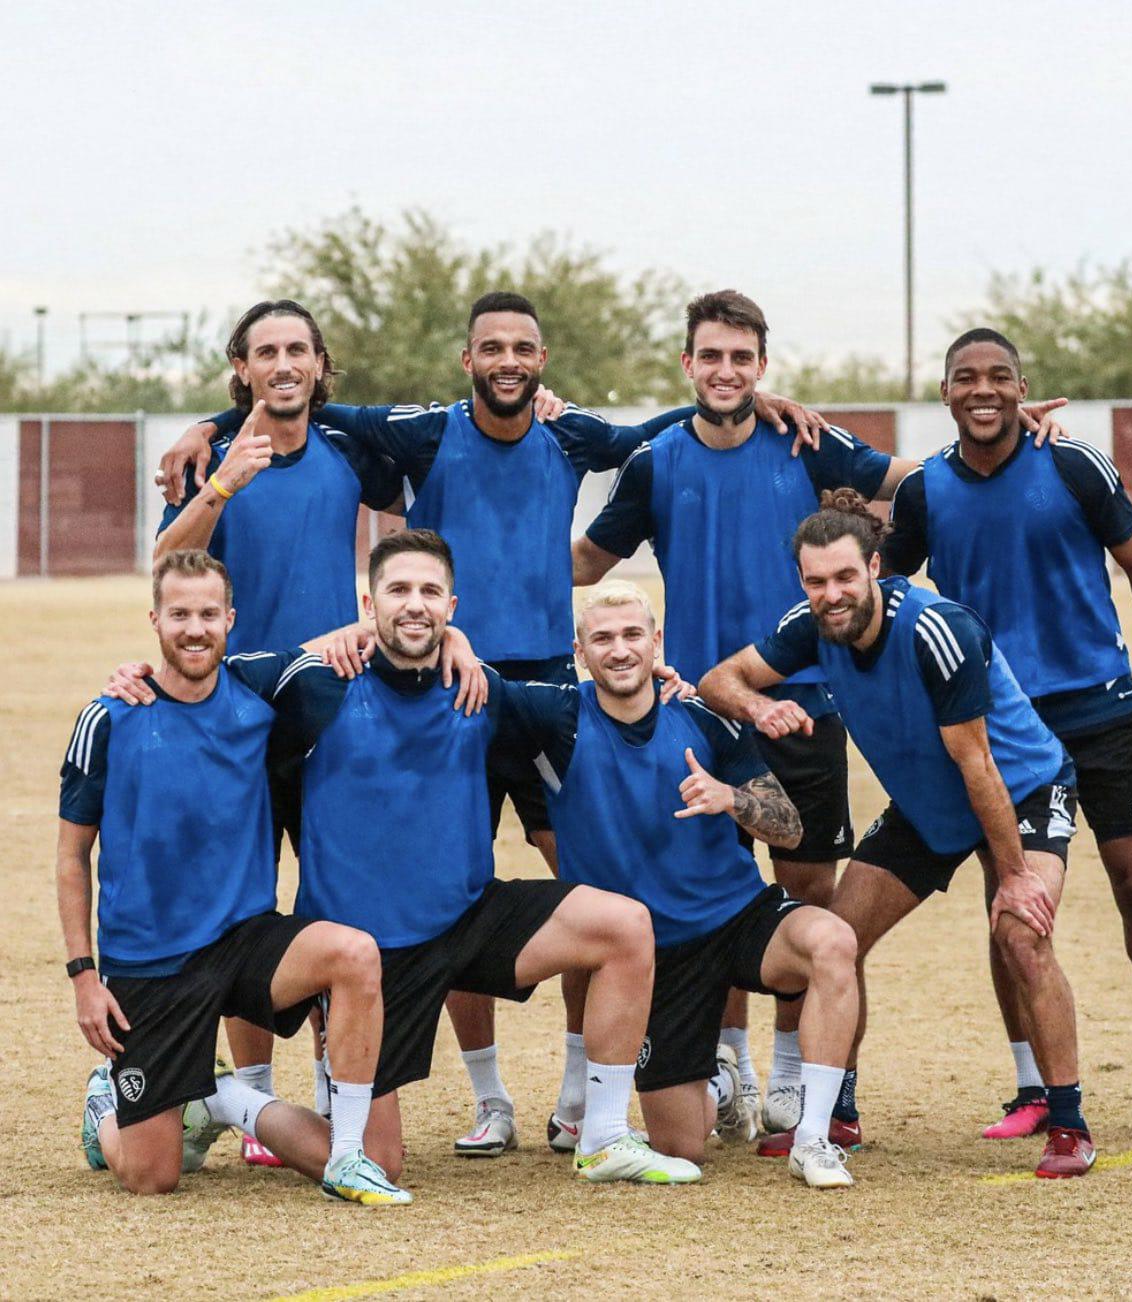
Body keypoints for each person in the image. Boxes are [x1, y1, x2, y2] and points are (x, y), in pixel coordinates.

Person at [156, 289, 829, 1155]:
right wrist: (210, 431)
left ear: (541, 362)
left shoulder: (540, 439)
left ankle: (579, 1097)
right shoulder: (404, 434)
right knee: (291, 892)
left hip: (523, 692)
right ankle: (318, 1097)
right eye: (491, 347)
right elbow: (277, 411)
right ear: (466, 360)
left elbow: (651, 435)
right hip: (338, 694)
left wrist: (750, 400)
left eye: (524, 347)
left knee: (588, 885)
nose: (508, 360)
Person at [574, 290, 1069, 1148]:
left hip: (809, 715)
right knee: (713, 894)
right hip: (702, 713)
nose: (726, 372)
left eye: (742, 358)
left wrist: (1014, 436)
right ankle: (728, 1065)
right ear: (687, 365)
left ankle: (805, 1086)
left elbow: (919, 482)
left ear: (762, 367)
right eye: (710, 357)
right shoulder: (655, 459)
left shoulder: (806, 442)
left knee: (809, 900)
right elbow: (587, 558)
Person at [149, 299, 482, 1166]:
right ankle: (251, 1101)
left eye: (299, 350)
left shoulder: (346, 449)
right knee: (244, 906)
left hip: (334, 711)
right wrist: (223, 473)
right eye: (268, 352)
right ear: (243, 367)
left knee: (336, 898)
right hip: (233, 717)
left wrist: (452, 626)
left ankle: (343, 1084)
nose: (285, 364)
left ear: (321, 366)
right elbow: (165, 564)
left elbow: (420, 533)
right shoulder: (213, 461)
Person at [269, 530, 702, 1185]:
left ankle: (606, 1136)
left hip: (468, 919)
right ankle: (228, 1103)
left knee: (624, 925)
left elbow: (587, 707)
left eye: (429, 593)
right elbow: (210, 683)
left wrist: (657, 681)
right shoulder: (318, 684)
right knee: (374, 1161)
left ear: (452, 605)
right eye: (398, 591)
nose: (414, 605)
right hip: (370, 956)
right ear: (368, 603)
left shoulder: (480, 687)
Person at [700, 491, 1097, 1178]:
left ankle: (1069, 1122)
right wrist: (760, 706)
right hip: (927, 805)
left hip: (1020, 787)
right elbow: (718, 679)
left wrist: (1014, 878)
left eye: (845, 577)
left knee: (1021, 934)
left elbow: (978, 765)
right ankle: (835, 1115)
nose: (832, 594)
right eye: (817, 581)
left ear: (876, 568)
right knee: (837, 940)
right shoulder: (809, 627)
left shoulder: (937, 631)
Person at [883, 328, 1132, 1144]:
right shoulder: (926, 492)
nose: (982, 390)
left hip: (1101, 712)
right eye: (966, 378)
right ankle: (1031, 1085)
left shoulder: (1072, 464)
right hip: (1006, 731)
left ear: (1024, 387)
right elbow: (878, 588)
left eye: (999, 377)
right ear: (945, 394)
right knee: (1009, 901)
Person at [59, 549, 410, 1204]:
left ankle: (332, 1146)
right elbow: (71, 855)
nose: (195, 629)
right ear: (155, 620)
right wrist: (84, 976)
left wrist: (465, 640)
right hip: (150, 965)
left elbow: (376, 629)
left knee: (354, 954)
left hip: (245, 940)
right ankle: (107, 1108)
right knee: (152, 1177)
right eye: (180, 614)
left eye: (209, 615)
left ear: (231, 620)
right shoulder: (109, 717)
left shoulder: (258, 686)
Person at [495, 580, 861, 1188]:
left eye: (634, 635)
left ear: (656, 641)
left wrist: (732, 798)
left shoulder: (702, 718)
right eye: (603, 638)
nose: (620, 650)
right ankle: (713, 1077)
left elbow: (791, 830)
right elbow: (470, 685)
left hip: (738, 916)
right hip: (656, 958)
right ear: (579, 651)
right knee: (683, 1144)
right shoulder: (556, 717)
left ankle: (815, 1138)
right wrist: (452, 637)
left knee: (833, 941)